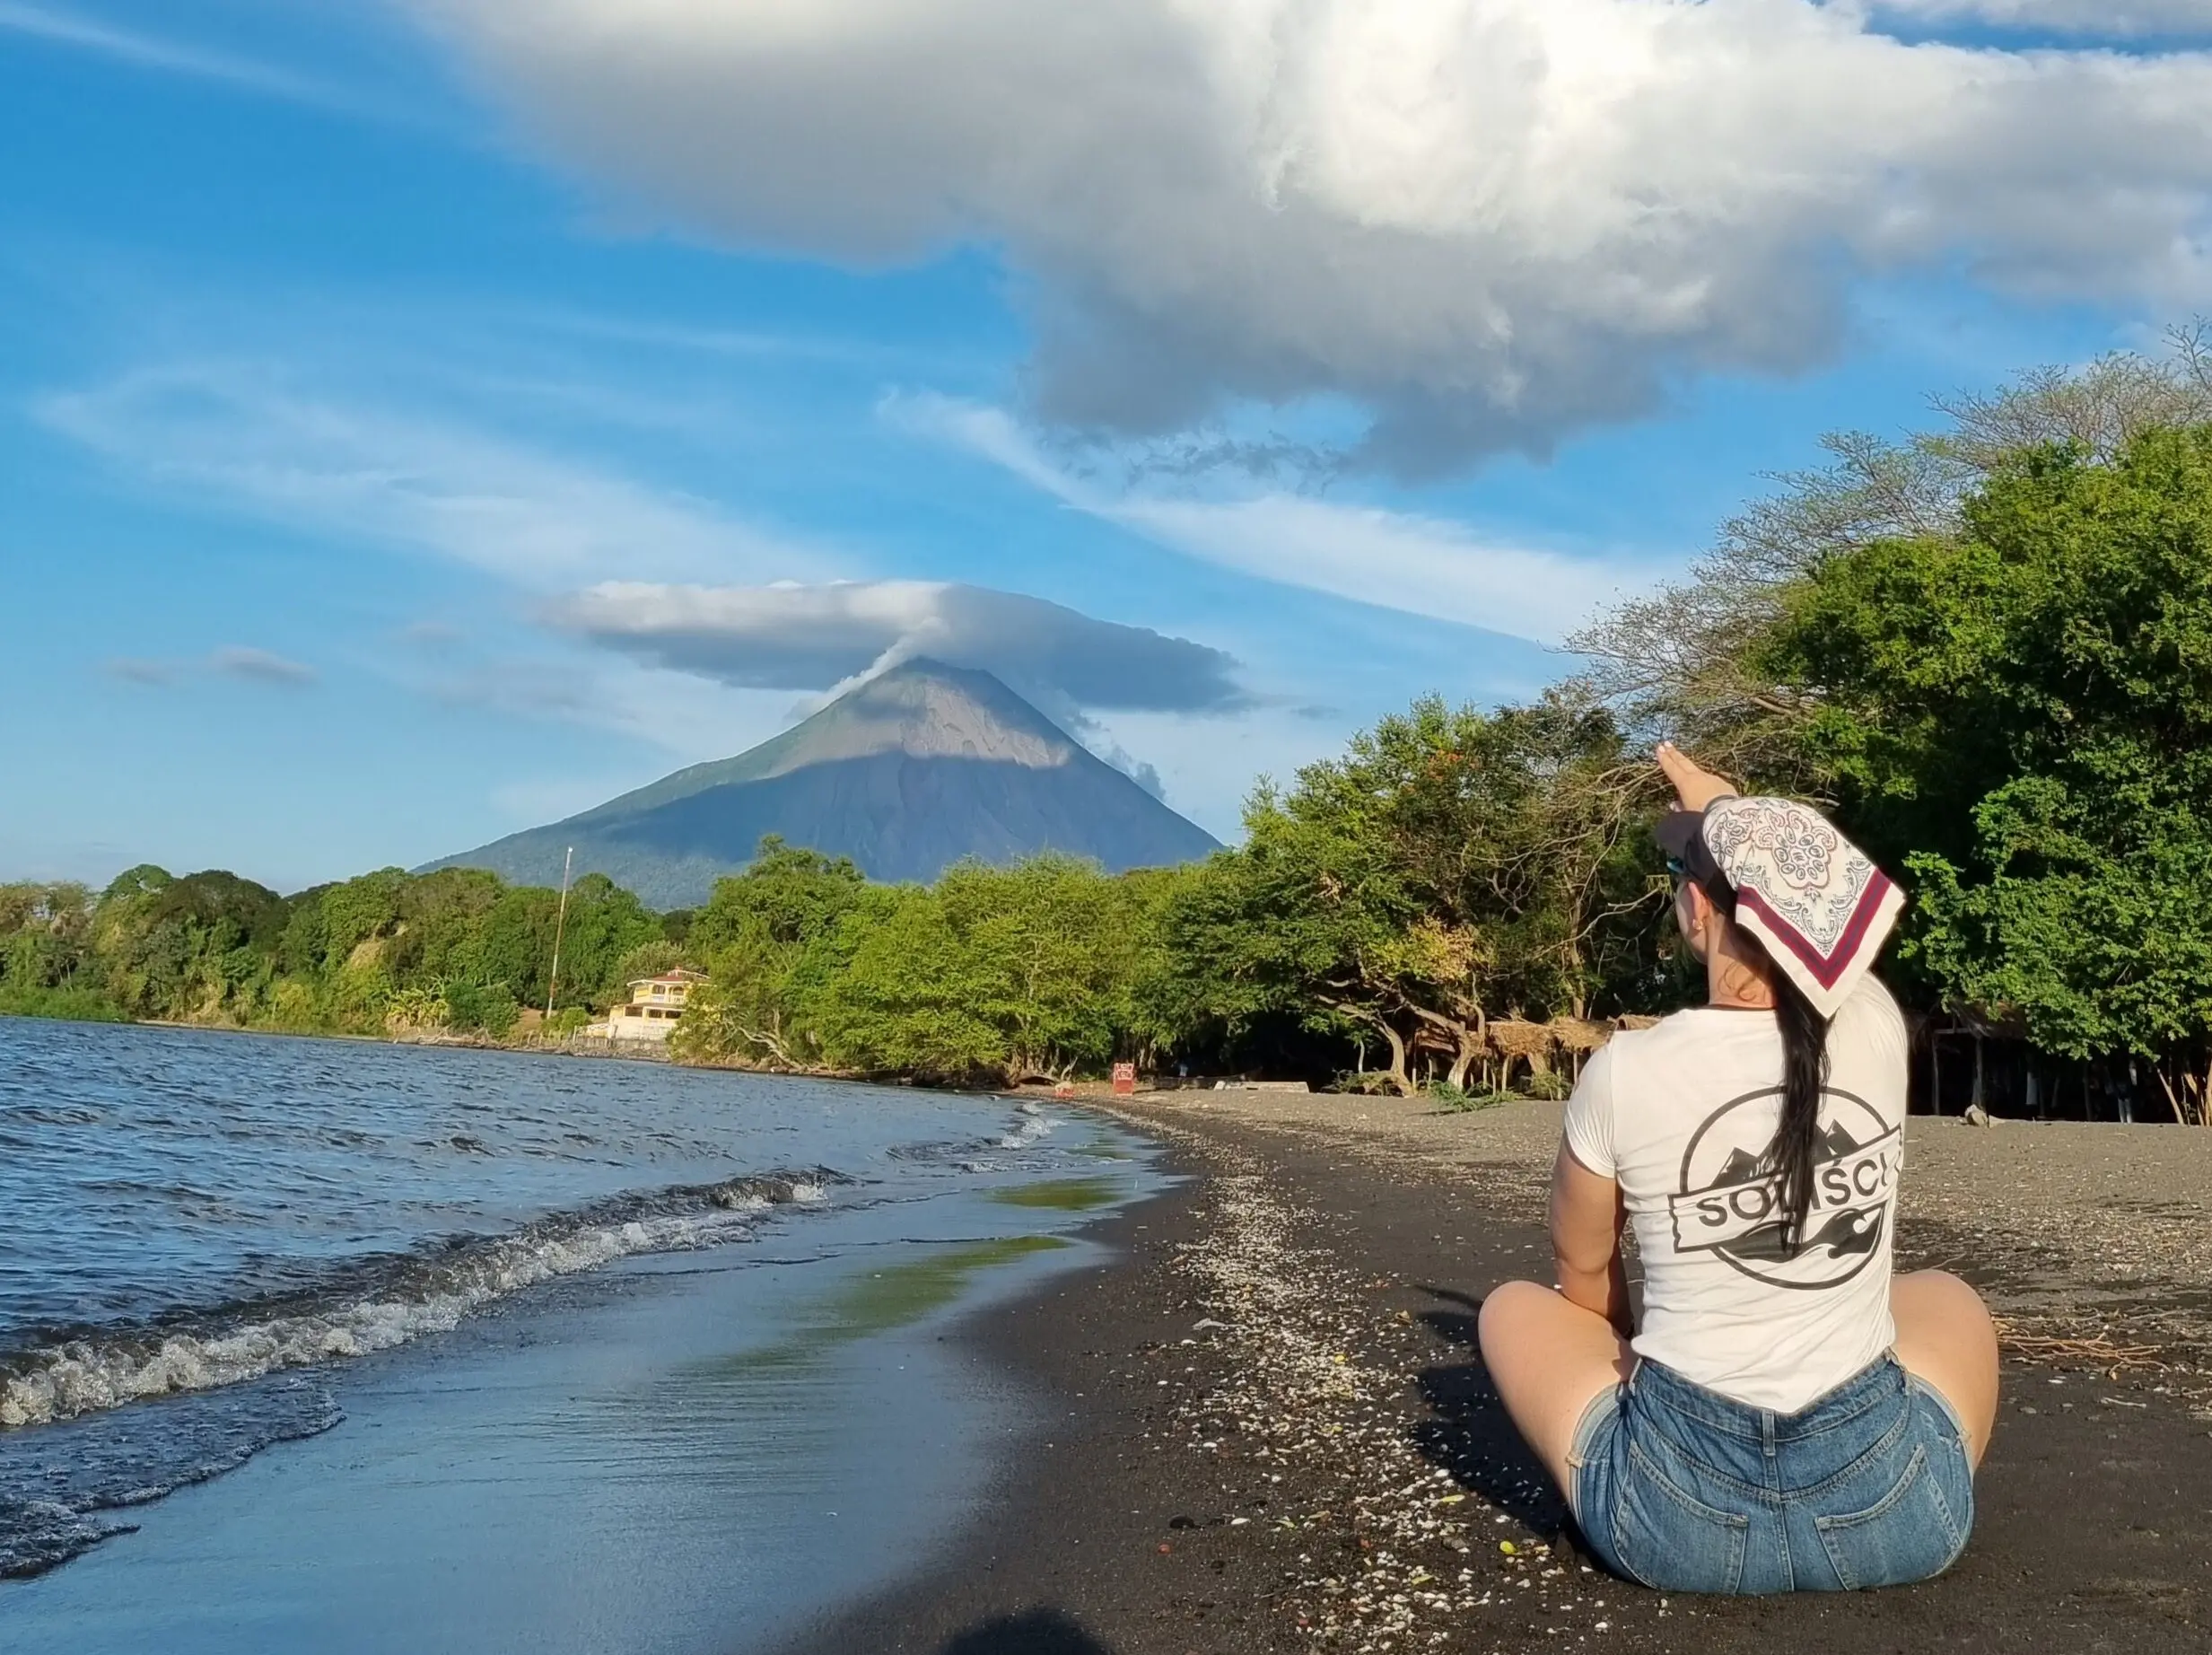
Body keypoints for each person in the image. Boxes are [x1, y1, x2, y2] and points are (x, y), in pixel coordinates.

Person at [1476, 743, 1999, 1595]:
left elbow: (1580, 1270)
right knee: (1948, 1297)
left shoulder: (1624, 1070)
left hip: (1675, 1528)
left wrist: (1637, 1364)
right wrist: (1734, 807)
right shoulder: (1872, 1025)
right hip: (1898, 1519)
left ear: (1693, 909)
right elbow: (1834, 930)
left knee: (1509, 1308)